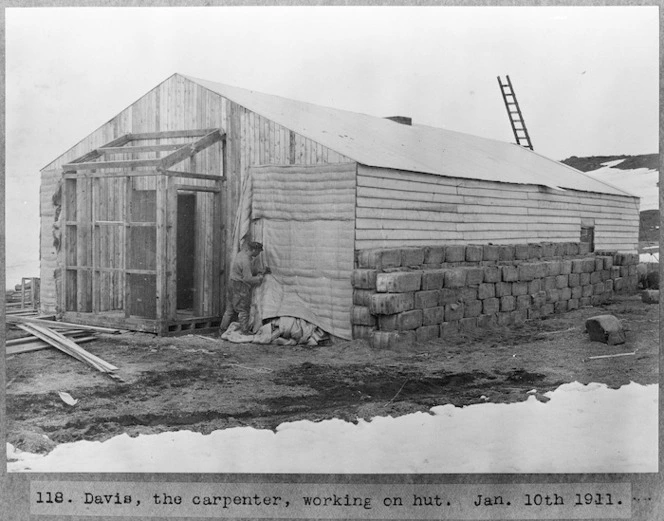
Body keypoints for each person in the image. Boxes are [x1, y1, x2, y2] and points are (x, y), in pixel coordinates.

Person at [219, 241, 269, 335]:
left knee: (229, 309)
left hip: (232, 283)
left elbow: (246, 271)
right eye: (258, 251)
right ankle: (245, 331)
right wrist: (259, 278)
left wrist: (260, 270)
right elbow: (247, 278)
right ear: (253, 250)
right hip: (240, 286)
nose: (259, 254)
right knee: (243, 310)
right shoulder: (246, 261)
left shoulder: (241, 254)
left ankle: (222, 330)